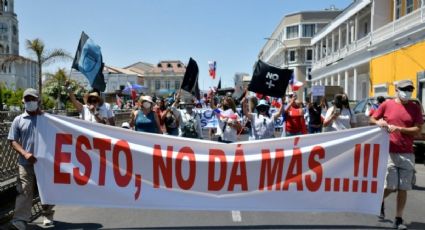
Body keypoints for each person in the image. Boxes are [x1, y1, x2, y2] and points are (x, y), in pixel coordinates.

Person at [370, 80, 423, 229]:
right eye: (404, 89)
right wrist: (378, 122)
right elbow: (372, 118)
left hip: (407, 153)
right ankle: (379, 200)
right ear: (397, 90)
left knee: (403, 187)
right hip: (390, 151)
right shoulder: (387, 104)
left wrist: (399, 129)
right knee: (392, 186)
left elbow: (418, 129)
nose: (407, 92)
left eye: (410, 89)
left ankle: (398, 218)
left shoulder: (415, 108)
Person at [8, 88, 55, 229]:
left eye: (32, 99)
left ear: (38, 101)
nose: (30, 102)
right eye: (27, 99)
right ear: (23, 101)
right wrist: (25, 153)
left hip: (45, 162)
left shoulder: (46, 118)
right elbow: (12, 140)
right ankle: (20, 219)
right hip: (25, 162)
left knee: (46, 190)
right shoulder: (18, 120)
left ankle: (47, 215)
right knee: (25, 190)